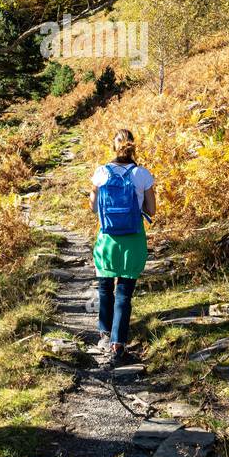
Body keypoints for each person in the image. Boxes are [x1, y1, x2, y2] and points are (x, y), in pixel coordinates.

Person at [89, 128, 156, 367]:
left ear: (113, 146)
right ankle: (118, 345)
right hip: (132, 239)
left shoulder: (100, 173)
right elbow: (151, 210)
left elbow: (94, 208)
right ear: (133, 146)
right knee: (124, 293)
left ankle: (104, 335)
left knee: (105, 288)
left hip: (107, 239)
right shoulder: (142, 174)